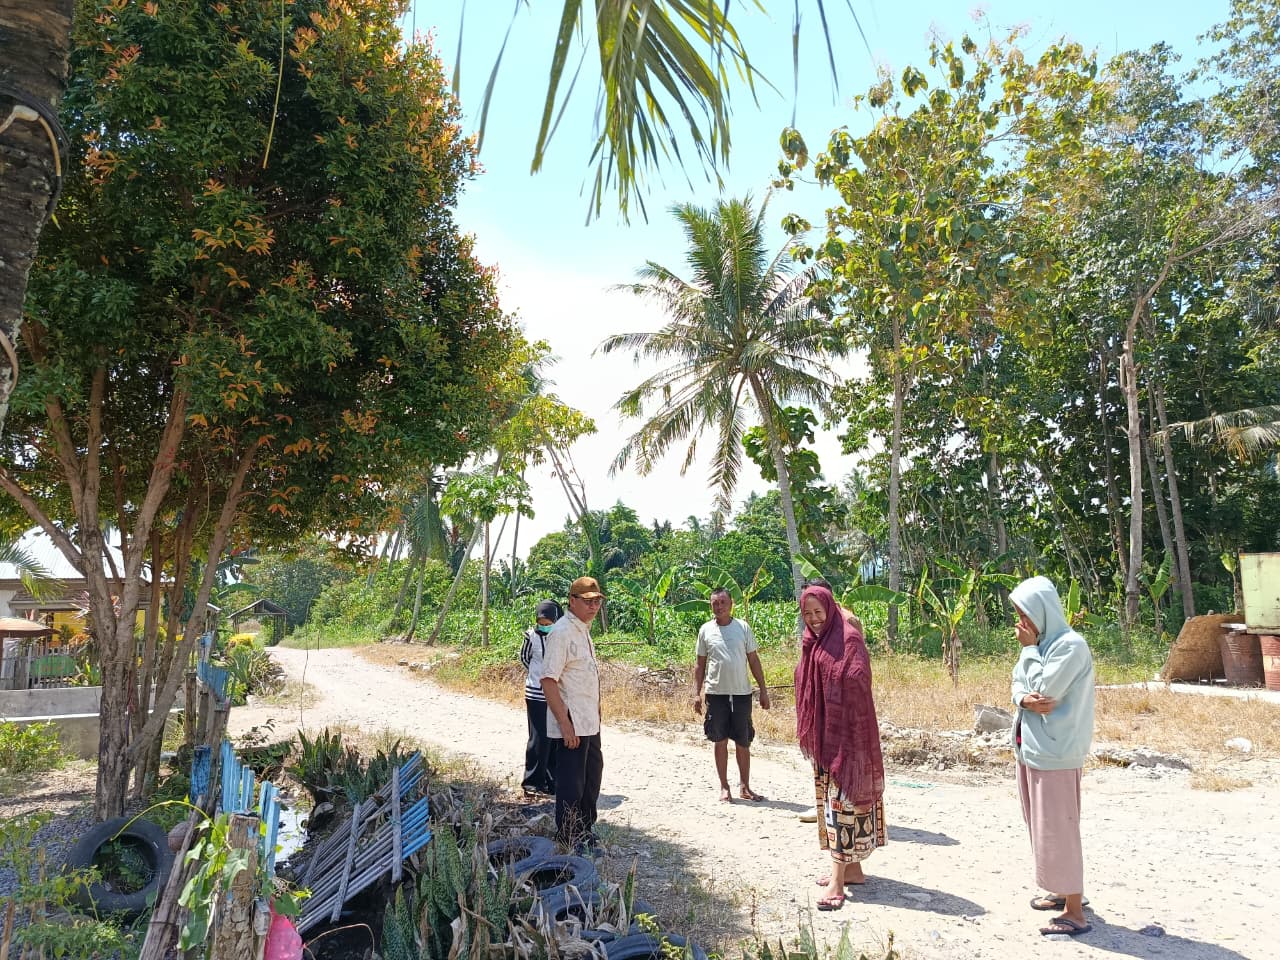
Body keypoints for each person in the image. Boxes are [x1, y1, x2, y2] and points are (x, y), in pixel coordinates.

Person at [1009, 575, 1096, 938]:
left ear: (1043, 612)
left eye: (1025, 615)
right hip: (1032, 748)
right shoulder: (1041, 646)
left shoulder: (1069, 646)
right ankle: (1061, 891)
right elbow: (1018, 684)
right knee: (1043, 826)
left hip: (1057, 751)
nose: (1020, 623)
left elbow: (1045, 691)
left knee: (1060, 827)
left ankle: (1075, 910)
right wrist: (1023, 698)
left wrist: (1029, 652)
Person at [795, 583, 886, 911]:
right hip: (826, 738)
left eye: (818, 612)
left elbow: (858, 678)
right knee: (833, 806)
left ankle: (837, 883)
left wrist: (837, 687)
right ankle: (853, 871)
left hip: (848, 739)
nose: (814, 618)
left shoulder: (848, 638)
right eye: (808, 613)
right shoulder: (813, 640)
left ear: (831, 609)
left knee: (841, 808)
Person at [541, 575, 605, 851]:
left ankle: (585, 829)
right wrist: (565, 725)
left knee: (591, 776)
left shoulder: (583, 630)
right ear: (572, 601)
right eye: (588, 601)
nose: (593, 606)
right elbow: (548, 681)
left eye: (597, 601)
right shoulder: (562, 632)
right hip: (572, 723)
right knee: (571, 782)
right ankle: (568, 836)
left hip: (589, 721)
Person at [692, 587, 771, 802]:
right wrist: (696, 693)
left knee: (743, 741)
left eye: (722, 602)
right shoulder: (705, 630)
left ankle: (745, 787)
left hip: (741, 693)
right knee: (719, 740)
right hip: (716, 694)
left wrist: (763, 690)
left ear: (731, 604)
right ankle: (724, 787)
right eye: (715, 603)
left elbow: (753, 660)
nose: (719, 607)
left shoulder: (742, 628)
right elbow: (700, 664)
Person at [796, 578, 861, 824]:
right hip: (818, 707)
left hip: (840, 708)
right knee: (822, 761)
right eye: (806, 609)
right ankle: (824, 807)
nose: (812, 615)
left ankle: (848, 814)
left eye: (817, 606)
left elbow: (854, 667)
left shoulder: (847, 623)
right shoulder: (812, 629)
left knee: (842, 761)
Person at [520, 599, 563, 797]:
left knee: (554, 738)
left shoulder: (562, 636)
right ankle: (532, 782)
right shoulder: (531, 636)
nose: (544, 626)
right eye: (541, 623)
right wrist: (538, 675)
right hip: (536, 694)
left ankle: (551, 782)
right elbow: (525, 658)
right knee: (539, 738)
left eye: (548, 623)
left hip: (557, 694)